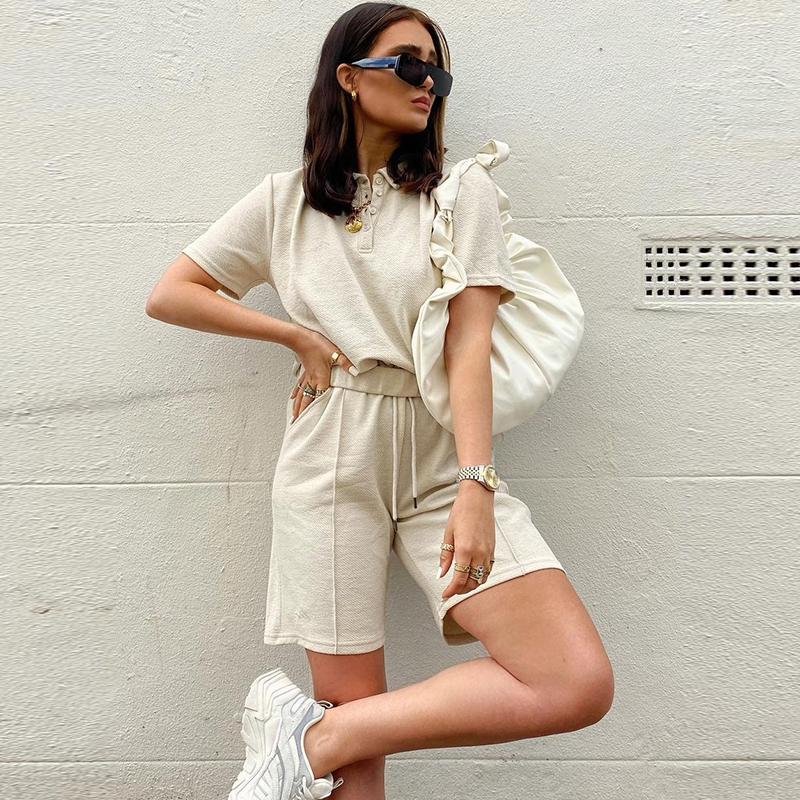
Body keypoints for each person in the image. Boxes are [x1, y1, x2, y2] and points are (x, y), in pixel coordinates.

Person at [146, 4, 614, 799]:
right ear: (349, 78)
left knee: (572, 680)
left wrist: (476, 483)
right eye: (408, 62)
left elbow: (469, 346)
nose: (428, 82)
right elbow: (173, 293)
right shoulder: (283, 202)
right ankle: (327, 740)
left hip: (441, 455)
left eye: (438, 70)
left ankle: (311, 737)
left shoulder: (460, 194)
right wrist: (295, 337)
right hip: (329, 453)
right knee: (357, 775)